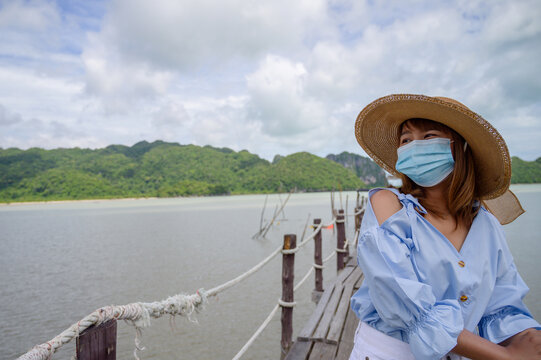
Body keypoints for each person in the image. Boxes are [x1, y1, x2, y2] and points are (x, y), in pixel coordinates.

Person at [349, 94, 541, 360]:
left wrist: (526, 336)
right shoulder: (388, 206)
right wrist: (505, 356)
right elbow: (405, 302)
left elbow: (503, 301)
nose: (414, 146)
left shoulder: (486, 224)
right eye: (406, 140)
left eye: (428, 136)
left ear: (462, 148)